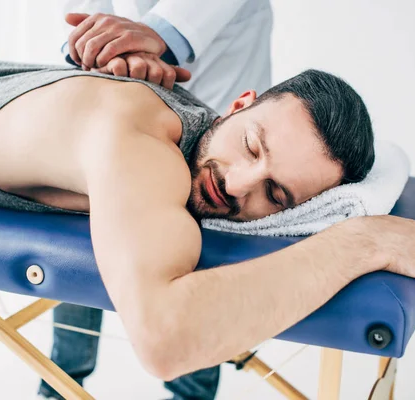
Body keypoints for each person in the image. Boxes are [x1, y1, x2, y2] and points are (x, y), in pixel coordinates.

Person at [0, 47, 415, 400]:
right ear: (237, 104)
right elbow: (166, 338)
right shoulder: (142, 143)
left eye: (276, 195)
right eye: (251, 145)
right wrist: (354, 244)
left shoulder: (184, 120)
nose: (236, 185)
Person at [46, 1, 273, 397]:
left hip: (220, 137)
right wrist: (102, 46)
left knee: (201, 247)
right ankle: (61, 385)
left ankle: (191, 394)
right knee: (84, 222)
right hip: (124, 108)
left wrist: (157, 35)